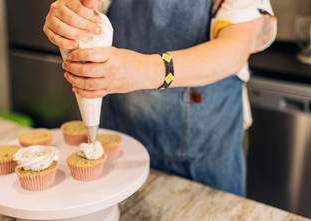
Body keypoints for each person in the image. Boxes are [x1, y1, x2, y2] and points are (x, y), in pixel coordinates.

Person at [43, 0, 277, 196]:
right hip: (121, 142)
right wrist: (70, 16)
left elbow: (233, 51)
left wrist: (144, 70)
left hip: (203, 157)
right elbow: (87, 7)